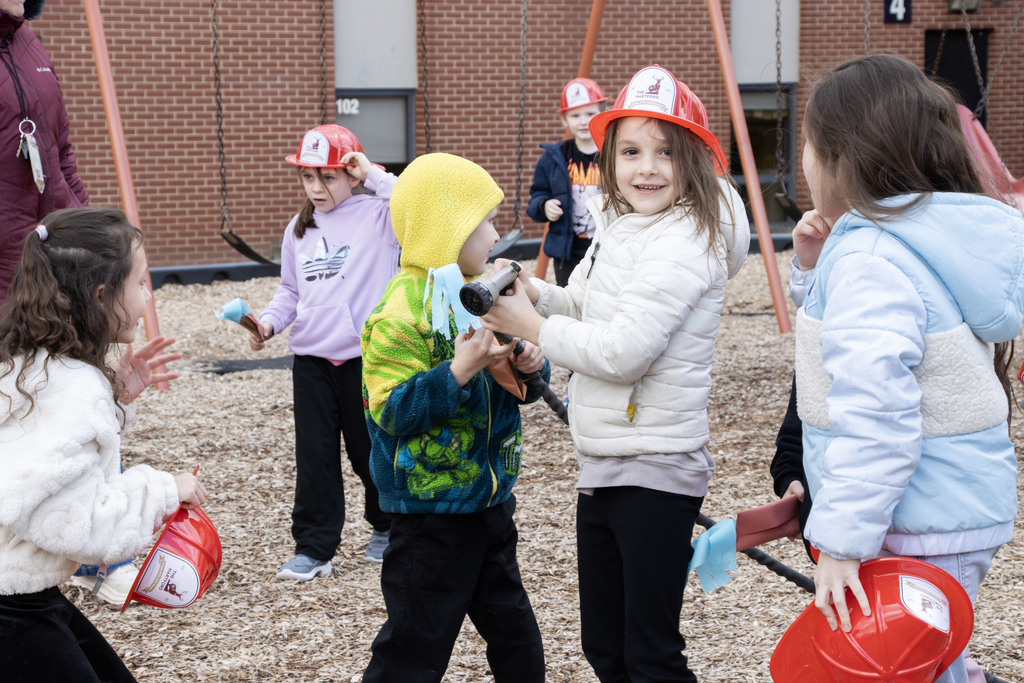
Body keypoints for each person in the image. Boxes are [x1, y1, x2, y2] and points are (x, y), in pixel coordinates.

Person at [480, 64, 750, 682]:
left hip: (655, 461)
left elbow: (625, 351)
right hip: (607, 454)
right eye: (630, 151)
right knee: (607, 645)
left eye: (663, 152)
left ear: (694, 162)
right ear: (608, 157)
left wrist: (530, 326)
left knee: (649, 651)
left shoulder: (686, 237)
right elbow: (587, 307)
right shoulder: (625, 225)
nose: (645, 168)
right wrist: (535, 295)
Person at [784, 54, 1024, 683]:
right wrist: (814, 271)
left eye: (808, 144)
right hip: (953, 508)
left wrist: (841, 542)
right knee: (932, 655)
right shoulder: (920, 237)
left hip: (908, 522)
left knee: (897, 666)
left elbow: (878, 418)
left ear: (840, 157)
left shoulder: (869, 259)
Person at [360, 152, 550, 682]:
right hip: (430, 515)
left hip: (490, 503)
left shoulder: (478, 294)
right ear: (447, 227)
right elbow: (392, 411)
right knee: (415, 645)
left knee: (516, 635)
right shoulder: (400, 314)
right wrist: (457, 371)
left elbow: (522, 387)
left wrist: (532, 365)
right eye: (485, 221)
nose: (495, 234)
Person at [0, 206, 208, 682]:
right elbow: (78, 526)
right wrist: (162, 491)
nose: (147, 296)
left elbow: (48, 465)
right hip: (12, 608)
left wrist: (115, 403)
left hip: (22, 591)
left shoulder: (27, 363)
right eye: (140, 282)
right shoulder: (72, 387)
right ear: (100, 295)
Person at [248, 124, 397, 580]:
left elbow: (420, 198)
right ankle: (314, 548)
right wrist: (268, 323)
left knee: (368, 450)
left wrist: (372, 172)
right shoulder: (299, 228)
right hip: (312, 361)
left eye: (328, 177)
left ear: (350, 174)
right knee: (314, 456)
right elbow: (290, 291)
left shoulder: (381, 215)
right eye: (308, 177)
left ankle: (388, 526)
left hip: (364, 359)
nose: (316, 188)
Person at [0, 0, 90, 302]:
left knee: (54, 343)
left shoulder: (27, 41)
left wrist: (82, 216)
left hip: (52, 241)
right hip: (7, 253)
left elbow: (61, 149)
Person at [528, 77, 607, 287]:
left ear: (601, 114)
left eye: (590, 114)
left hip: (605, 243)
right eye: (575, 115)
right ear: (564, 119)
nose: (583, 120)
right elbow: (536, 196)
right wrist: (544, 206)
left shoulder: (613, 154)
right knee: (569, 295)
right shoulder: (553, 158)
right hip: (567, 249)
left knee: (602, 293)